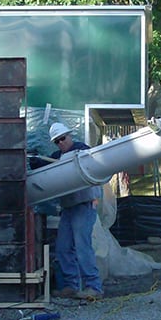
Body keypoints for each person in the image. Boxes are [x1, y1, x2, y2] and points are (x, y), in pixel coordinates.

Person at [45, 123, 104, 299]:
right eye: (57, 141)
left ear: (69, 136)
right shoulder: (57, 157)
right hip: (68, 207)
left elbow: (91, 163)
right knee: (63, 248)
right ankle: (71, 286)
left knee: (82, 247)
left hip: (84, 204)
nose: (61, 143)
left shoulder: (83, 151)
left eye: (63, 138)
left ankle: (93, 287)